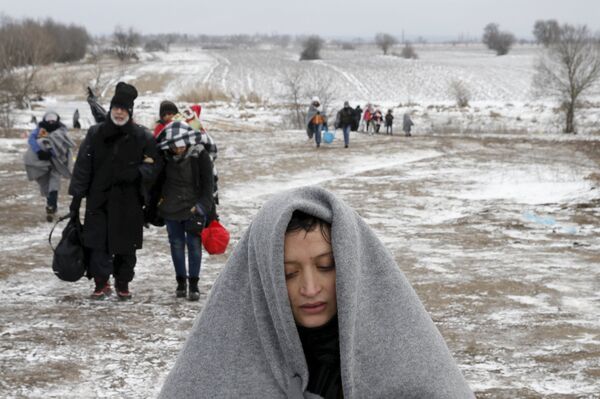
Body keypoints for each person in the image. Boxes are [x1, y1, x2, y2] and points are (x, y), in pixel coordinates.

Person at [158, 186, 474, 398]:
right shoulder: (222, 357)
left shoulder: (404, 352)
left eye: (326, 266)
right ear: (264, 278)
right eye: (288, 273)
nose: (310, 289)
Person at [68, 82, 161, 300]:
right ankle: (101, 284)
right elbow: (83, 166)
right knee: (97, 244)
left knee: (126, 247)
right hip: (98, 200)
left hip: (129, 203)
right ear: (110, 109)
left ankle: (122, 284)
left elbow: (155, 165)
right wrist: (76, 197)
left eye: (123, 109)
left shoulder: (142, 137)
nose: (119, 112)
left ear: (130, 111)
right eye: (115, 108)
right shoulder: (95, 134)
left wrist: (138, 173)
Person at [149, 121, 215, 301]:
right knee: (176, 245)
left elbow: (208, 185)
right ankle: (181, 282)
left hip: (193, 209)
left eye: (182, 146)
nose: (179, 150)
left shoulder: (200, 156)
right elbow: (156, 183)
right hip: (171, 208)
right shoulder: (164, 157)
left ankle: (193, 285)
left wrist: (201, 207)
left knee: (194, 245)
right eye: (175, 147)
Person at [23, 111, 75, 222]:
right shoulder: (40, 129)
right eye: (49, 120)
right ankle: (51, 204)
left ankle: (51, 206)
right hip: (42, 161)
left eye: (53, 120)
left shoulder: (62, 130)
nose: (51, 122)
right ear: (45, 120)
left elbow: (65, 143)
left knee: (54, 183)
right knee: (46, 184)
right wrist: (39, 152)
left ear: (57, 120)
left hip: (57, 161)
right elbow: (31, 140)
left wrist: (56, 153)